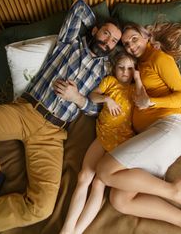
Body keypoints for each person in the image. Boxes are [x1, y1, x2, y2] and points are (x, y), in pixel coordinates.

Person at [0, 0, 122, 233]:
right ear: (95, 31)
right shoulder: (69, 43)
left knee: (42, 207)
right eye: (105, 34)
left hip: (52, 135)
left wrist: (78, 98)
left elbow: (97, 110)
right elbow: (79, 6)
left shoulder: (105, 72)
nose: (108, 42)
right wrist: (96, 27)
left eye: (114, 41)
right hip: (27, 111)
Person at [94, 23, 181, 234]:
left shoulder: (159, 58)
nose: (130, 46)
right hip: (153, 138)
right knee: (119, 200)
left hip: (166, 128)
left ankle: (174, 191)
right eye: (126, 43)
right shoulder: (137, 67)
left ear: (146, 36)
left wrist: (151, 103)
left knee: (103, 171)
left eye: (134, 39)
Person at [60, 51, 145, 234]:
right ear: (114, 69)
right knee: (84, 177)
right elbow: (92, 96)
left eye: (130, 69)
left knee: (99, 182)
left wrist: (137, 78)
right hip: (104, 135)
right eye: (121, 68)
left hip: (123, 143)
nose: (125, 72)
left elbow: (143, 101)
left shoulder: (135, 90)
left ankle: (77, 231)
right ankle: (67, 229)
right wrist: (106, 98)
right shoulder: (110, 82)